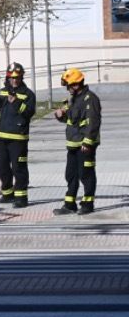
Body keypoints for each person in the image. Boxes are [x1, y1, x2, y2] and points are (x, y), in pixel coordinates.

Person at [54, 67, 102, 215]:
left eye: (69, 85)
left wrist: (87, 142)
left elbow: (93, 122)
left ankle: (87, 204)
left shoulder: (90, 99)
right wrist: (61, 115)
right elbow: (72, 120)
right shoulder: (74, 99)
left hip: (84, 145)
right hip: (73, 144)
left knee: (85, 174)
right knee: (71, 174)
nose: (68, 89)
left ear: (76, 84)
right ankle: (70, 204)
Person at [0, 62, 36, 207]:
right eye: (12, 77)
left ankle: (21, 198)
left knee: (18, 168)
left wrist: (15, 102)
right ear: (8, 77)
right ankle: (7, 194)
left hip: (18, 138)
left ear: (21, 77)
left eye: (17, 77)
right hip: (3, 136)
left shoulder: (28, 94)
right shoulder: (3, 91)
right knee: (1, 166)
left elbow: (29, 113)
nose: (14, 80)